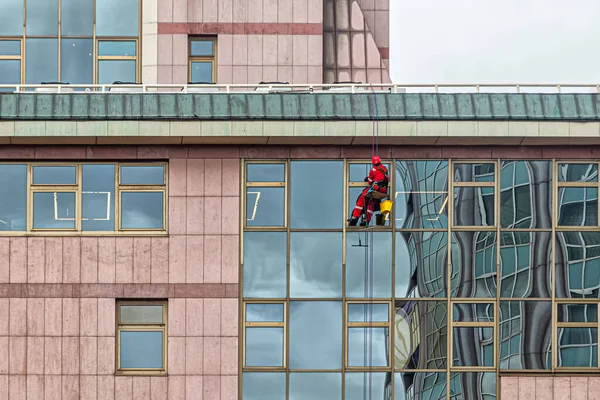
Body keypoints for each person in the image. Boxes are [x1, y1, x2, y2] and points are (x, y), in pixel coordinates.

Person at [348, 156, 389, 226]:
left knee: (362, 197)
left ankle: (355, 216)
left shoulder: (373, 170)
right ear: (380, 161)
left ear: (373, 163)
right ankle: (367, 220)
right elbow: (386, 179)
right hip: (383, 190)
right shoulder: (385, 169)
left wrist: (368, 178)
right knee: (371, 203)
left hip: (376, 188)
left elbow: (370, 182)